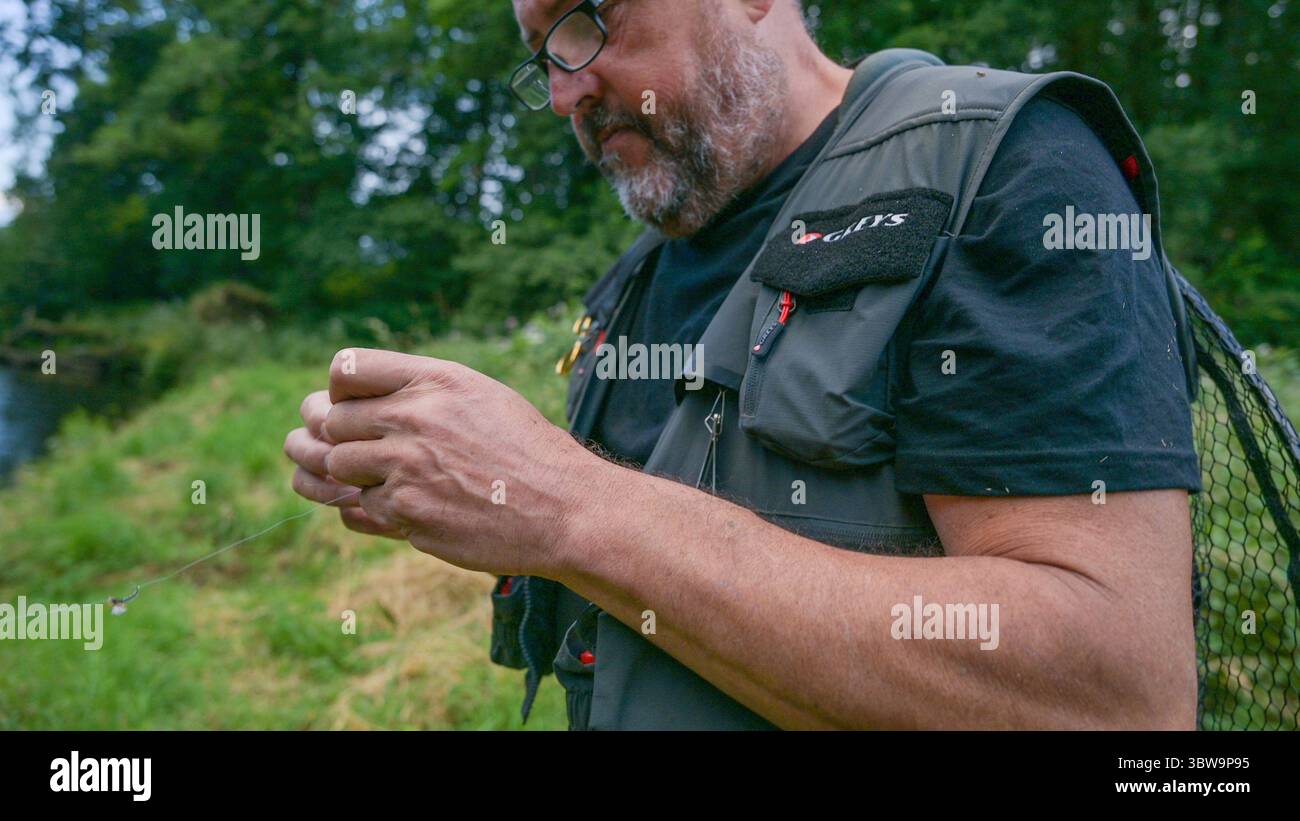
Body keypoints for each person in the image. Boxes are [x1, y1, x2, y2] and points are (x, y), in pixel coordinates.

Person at [283, 0, 1202, 729]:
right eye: (542, 57)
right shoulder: (636, 279)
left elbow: (1118, 694)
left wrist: (561, 504)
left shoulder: (1005, 169)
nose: (566, 95)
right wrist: (463, 484)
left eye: (590, 18)